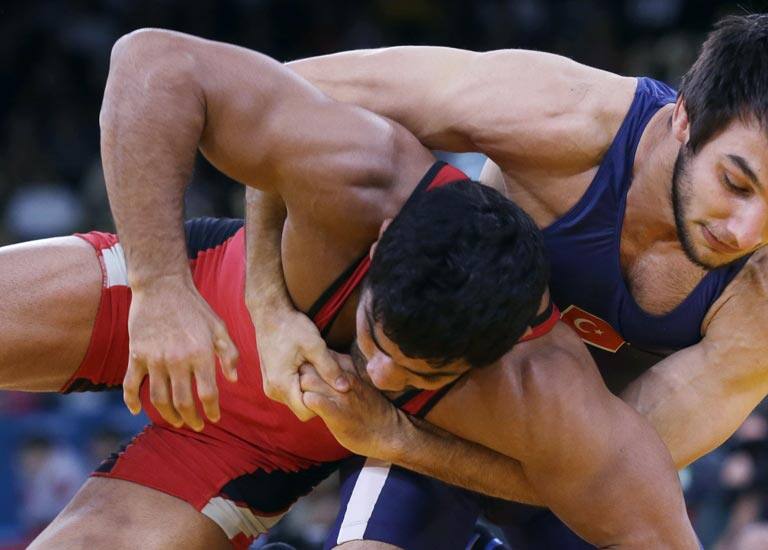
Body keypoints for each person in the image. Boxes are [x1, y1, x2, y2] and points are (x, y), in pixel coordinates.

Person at [193, 12, 768, 549]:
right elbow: (280, 96)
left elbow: (616, 470)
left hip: (582, 471)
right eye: (735, 181)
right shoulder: (563, 116)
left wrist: (397, 440)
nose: (746, 229)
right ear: (685, 119)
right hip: (460, 399)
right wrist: (268, 304)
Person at [2, 29, 695, 549]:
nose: (378, 372)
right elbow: (153, 61)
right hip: (198, 287)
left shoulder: (537, 382)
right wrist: (164, 290)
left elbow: (622, 511)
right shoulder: (367, 174)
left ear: (500, 350)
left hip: (250, 451)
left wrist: (399, 437)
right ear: (384, 238)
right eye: (376, 337)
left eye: (419, 375)